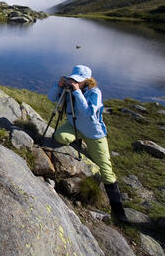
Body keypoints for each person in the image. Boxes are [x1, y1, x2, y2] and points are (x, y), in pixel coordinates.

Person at [48, 65, 128, 223]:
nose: (74, 83)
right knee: (59, 136)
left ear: (87, 81)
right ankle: (77, 144)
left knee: (106, 169)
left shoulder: (94, 93)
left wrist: (77, 92)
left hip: (94, 133)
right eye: (73, 79)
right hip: (75, 126)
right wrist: (58, 86)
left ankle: (118, 212)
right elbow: (52, 98)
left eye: (78, 81)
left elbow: (88, 113)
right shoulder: (69, 89)